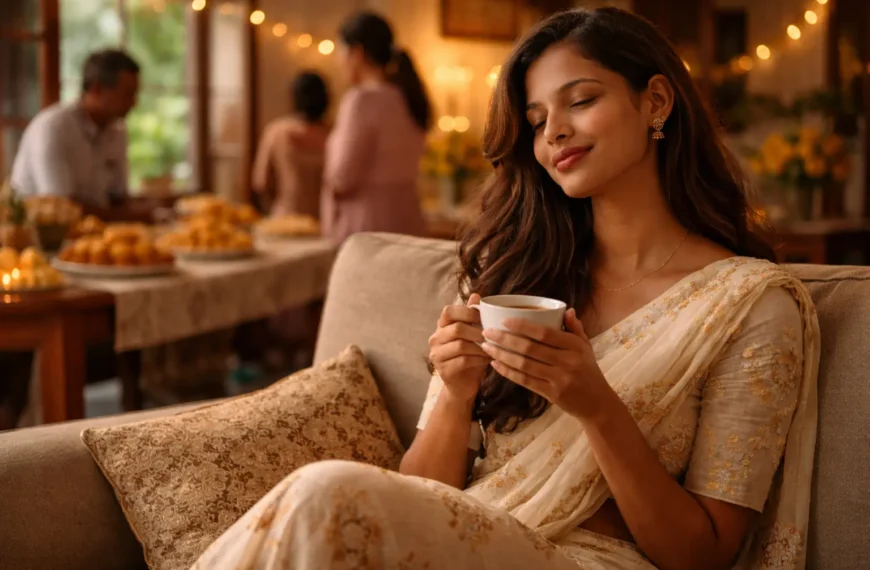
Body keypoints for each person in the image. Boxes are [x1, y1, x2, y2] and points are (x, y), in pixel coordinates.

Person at [191, 8, 820, 570]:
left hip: (591, 560)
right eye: (538, 119)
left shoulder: (748, 304)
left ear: (655, 101)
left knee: (325, 492)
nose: (554, 134)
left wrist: (596, 405)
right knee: (329, 502)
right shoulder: (516, 276)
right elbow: (423, 492)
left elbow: (705, 553)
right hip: (466, 536)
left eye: (580, 101)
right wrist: (456, 393)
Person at [320, 11, 431, 244]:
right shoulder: (408, 96)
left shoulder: (361, 100)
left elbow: (342, 177)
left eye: (340, 51)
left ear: (357, 53)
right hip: (408, 221)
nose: (338, 60)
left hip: (367, 227)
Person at [11, 49, 151, 221]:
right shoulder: (53, 128)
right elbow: (62, 206)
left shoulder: (117, 131)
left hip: (91, 234)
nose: (134, 103)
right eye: (127, 94)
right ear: (96, 89)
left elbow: (117, 197)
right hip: (37, 239)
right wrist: (135, 216)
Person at [252, 72, 330, 219]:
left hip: (286, 219)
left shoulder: (276, 132)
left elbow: (261, 182)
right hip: (325, 220)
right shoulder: (335, 135)